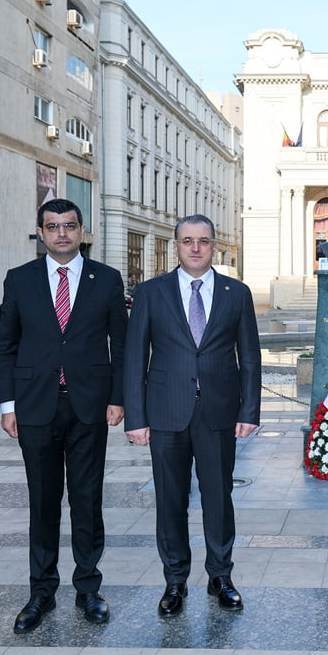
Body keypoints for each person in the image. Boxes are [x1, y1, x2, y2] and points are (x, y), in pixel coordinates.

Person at [0, 199, 128, 633]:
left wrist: (117, 397)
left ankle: (88, 588)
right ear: (41, 232)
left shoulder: (106, 279)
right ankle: (41, 592)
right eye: (52, 227)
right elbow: (6, 347)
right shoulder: (19, 280)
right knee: (43, 502)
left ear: (82, 230)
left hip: (89, 406)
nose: (62, 233)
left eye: (69, 226)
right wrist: (7, 404)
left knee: (87, 502)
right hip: (35, 408)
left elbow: (121, 347)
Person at [124, 214, 261, 618]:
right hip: (165, 413)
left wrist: (248, 409)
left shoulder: (237, 293)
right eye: (187, 240)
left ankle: (221, 576)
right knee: (170, 500)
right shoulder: (151, 293)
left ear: (214, 245)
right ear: (176, 245)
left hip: (219, 413)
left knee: (219, 499)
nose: (195, 247)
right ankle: (175, 580)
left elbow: (249, 356)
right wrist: (136, 417)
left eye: (203, 240)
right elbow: (135, 358)